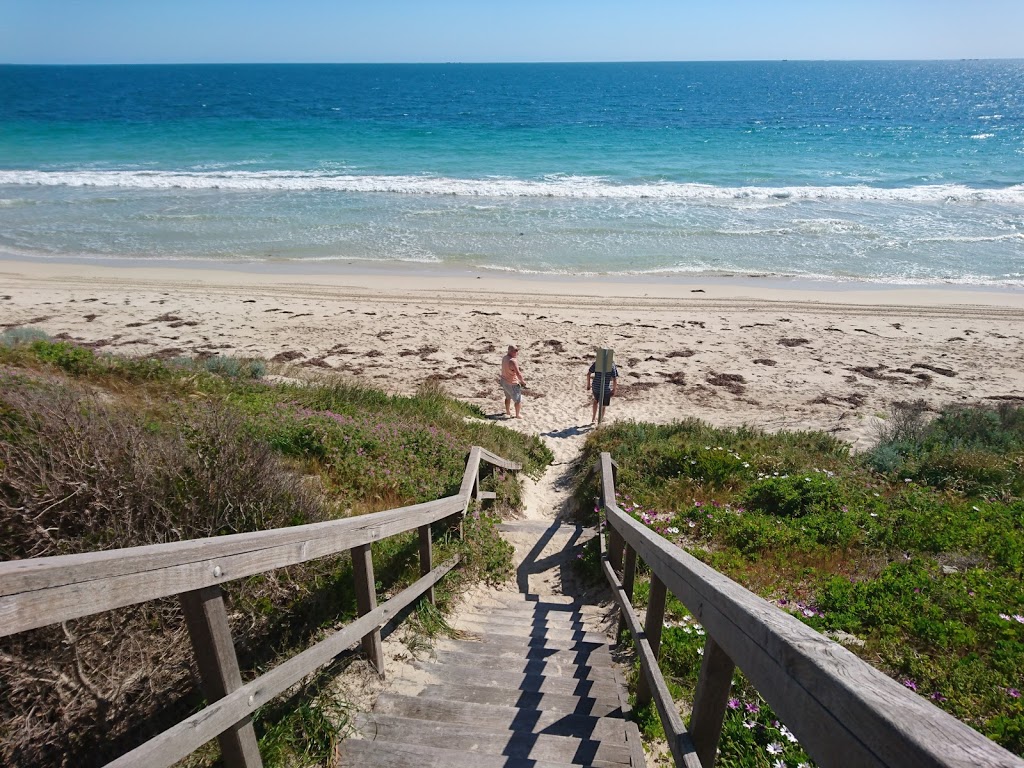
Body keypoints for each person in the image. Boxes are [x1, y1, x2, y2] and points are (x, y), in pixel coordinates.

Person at [587, 358, 618, 423]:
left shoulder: (597, 363)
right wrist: (614, 389)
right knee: (603, 405)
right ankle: (600, 420)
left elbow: (588, 373)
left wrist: (588, 385)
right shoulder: (612, 365)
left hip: (596, 386)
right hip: (605, 388)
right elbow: (614, 378)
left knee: (596, 401)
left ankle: (593, 418)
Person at [499, 344, 526, 418]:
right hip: (512, 383)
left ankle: (508, 411)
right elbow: (518, 373)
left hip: (504, 381)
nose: (517, 352)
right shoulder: (513, 361)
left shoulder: (504, 358)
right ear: (510, 351)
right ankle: (517, 415)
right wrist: (523, 382)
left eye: (517, 350)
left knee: (508, 397)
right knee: (518, 400)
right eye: (515, 351)